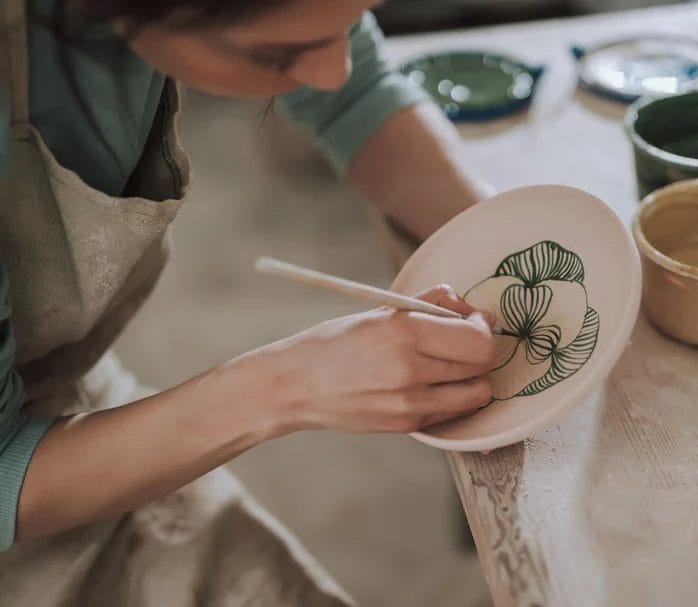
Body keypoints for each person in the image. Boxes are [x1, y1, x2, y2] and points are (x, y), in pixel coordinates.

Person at [0, 0, 498, 604]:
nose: (333, 67)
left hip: (61, 402)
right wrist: (286, 384)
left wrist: (505, 246)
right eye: (278, 56)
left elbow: (358, 91)